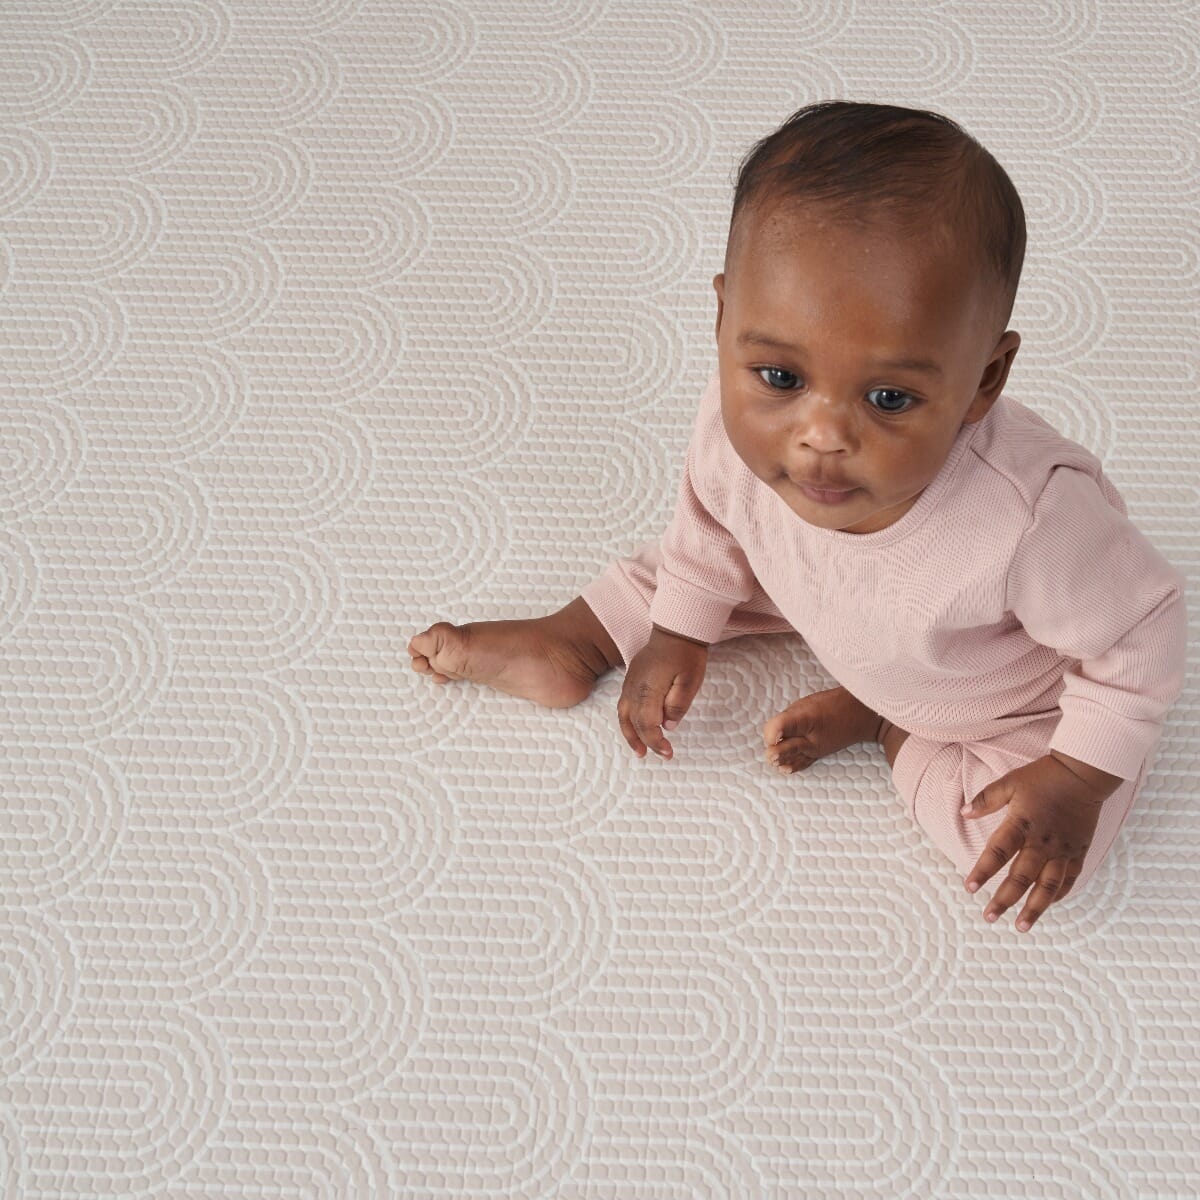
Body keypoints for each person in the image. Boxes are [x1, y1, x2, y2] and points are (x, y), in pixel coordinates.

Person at [408, 101, 1187, 934]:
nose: (820, 438)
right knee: (697, 561)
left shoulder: (1031, 523)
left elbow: (1143, 632)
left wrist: (1079, 772)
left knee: (1017, 843)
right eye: (780, 378)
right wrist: (679, 630)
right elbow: (708, 520)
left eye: (889, 398)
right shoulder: (739, 422)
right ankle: (579, 635)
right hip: (817, 582)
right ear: (724, 324)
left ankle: (892, 727)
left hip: (988, 678)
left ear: (985, 380)